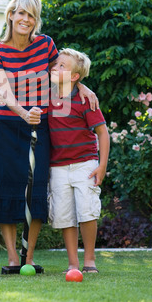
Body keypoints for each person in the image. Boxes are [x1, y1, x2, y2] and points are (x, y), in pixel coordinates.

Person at [0, 0, 98, 267]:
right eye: (21, 13)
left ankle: (28, 258)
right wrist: (21, 113)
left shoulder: (45, 45)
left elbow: (64, 74)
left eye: (31, 15)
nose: (25, 19)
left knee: (35, 191)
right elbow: (3, 88)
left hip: (40, 128)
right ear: (11, 14)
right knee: (6, 189)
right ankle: (12, 257)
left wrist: (84, 85)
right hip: (7, 126)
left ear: (36, 19)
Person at [48, 48, 110, 273]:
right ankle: (73, 263)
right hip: (58, 167)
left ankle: (89, 260)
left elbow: (103, 133)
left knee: (87, 212)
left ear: (74, 76)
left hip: (86, 164)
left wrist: (101, 166)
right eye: (55, 64)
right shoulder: (47, 97)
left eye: (62, 66)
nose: (55, 67)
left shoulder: (85, 99)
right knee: (65, 216)